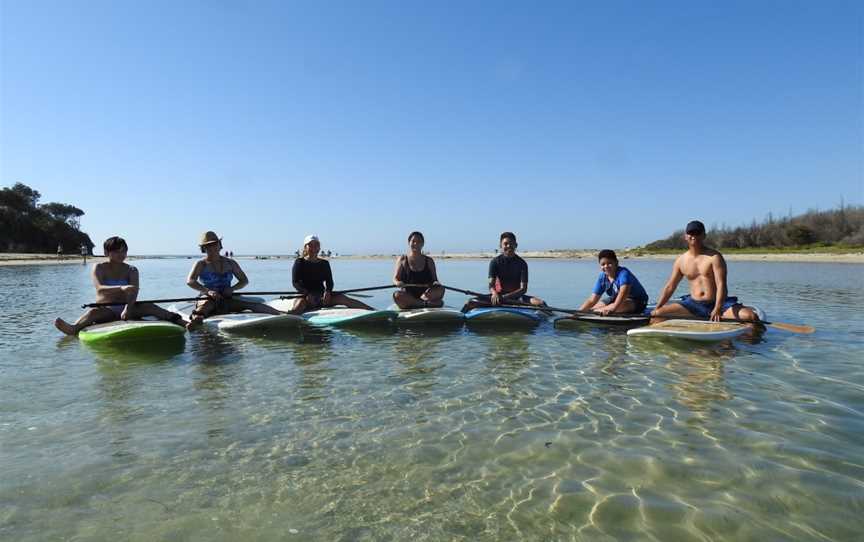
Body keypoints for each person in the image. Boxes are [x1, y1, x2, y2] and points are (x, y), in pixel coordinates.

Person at [54, 236, 186, 335]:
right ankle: (74, 328)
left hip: (129, 307)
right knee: (93, 312)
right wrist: (121, 288)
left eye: (124, 251)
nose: (121, 255)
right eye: (116, 251)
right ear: (107, 252)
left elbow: (134, 292)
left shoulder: (132, 270)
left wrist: (128, 308)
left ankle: (184, 323)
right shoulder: (99, 267)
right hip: (106, 309)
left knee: (151, 307)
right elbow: (100, 289)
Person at [651, 220, 760, 322]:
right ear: (686, 236)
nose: (694, 237)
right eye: (691, 233)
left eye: (697, 233)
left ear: (704, 235)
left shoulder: (714, 257)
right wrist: (658, 307)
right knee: (657, 314)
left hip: (719, 304)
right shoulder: (681, 260)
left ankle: (749, 340)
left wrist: (717, 308)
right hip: (693, 305)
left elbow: (721, 285)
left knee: (751, 317)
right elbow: (670, 286)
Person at [185, 231, 284, 329]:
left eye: (215, 244)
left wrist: (232, 289)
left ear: (220, 245)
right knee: (205, 306)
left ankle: (282, 316)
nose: (213, 247)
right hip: (208, 298)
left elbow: (244, 280)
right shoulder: (200, 264)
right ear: (204, 248)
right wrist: (208, 291)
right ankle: (195, 320)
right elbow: (190, 281)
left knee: (253, 305)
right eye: (209, 245)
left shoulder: (231, 263)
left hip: (227, 298)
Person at [462, 231, 546, 311]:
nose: (509, 246)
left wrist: (506, 297)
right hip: (497, 297)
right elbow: (491, 285)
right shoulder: (495, 262)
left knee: (541, 303)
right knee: (470, 302)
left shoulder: (522, 263)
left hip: (516, 298)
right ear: (500, 246)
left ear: (516, 245)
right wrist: (494, 294)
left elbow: (523, 289)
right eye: (505, 244)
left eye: (511, 243)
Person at [289, 234, 374, 313]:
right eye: (310, 245)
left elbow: (329, 281)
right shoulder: (299, 262)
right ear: (305, 247)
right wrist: (307, 294)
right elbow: (295, 282)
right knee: (299, 305)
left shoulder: (324, 263)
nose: (314, 247)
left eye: (316, 245)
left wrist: (328, 291)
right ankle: (287, 317)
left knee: (343, 298)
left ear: (319, 247)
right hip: (305, 296)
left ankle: (373, 311)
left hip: (322, 297)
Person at [579, 249, 649, 315]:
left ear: (616, 263)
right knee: (592, 308)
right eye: (603, 264)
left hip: (637, 301)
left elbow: (623, 293)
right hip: (615, 298)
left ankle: (600, 311)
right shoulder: (602, 277)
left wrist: (613, 309)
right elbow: (592, 300)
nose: (606, 266)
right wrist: (579, 312)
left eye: (609, 263)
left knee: (598, 310)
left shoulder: (624, 274)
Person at [392, 231, 445, 309]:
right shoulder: (402, 259)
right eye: (413, 241)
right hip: (408, 295)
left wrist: (436, 283)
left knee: (441, 289)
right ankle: (425, 304)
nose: (416, 244)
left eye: (419, 241)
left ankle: (417, 303)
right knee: (397, 295)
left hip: (426, 295)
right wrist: (398, 283)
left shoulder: (429, 261)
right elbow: (395, 278)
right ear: (409, 243)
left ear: (423, 244)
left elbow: (435, 280)